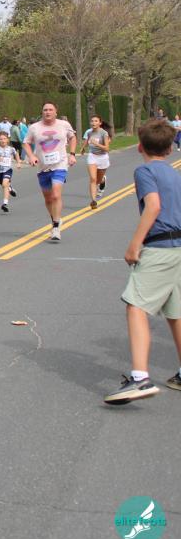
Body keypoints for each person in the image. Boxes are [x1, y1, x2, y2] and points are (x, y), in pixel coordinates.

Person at [103, 119, 181, 404]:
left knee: (136, 306)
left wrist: (135, 244)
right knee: (175, 312)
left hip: (160, 246)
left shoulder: (144, 171)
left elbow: (153, 205)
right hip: (179, 247)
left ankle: (140, 378)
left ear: (139, 147)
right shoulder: (175, 173)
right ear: (170, 149)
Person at [23, 101, 77, 241]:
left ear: (56, 112)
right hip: (43, 166)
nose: (47, 112)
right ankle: (55, 218)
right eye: (45, 110)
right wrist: (31, 156)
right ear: (42, 112)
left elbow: (72, 138)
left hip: (60, 164)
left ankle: (56, 227)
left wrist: (72, 154)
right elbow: (26, 143)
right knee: (48, 198)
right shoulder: (34, 127)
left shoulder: (64, 125)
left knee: (56, 195)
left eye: (50, 109)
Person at [79, 116, 111, 210]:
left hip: (103, 157)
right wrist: (83, 148)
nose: (93, 123)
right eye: (92, 121)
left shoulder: (104, 133)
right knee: (93, 179)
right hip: (92, 156)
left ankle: (102, 180)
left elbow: (107, 148)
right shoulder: (89, 132)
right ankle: (93, 201)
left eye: (96, 121)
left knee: (98, 180)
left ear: (100, 123)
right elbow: (87, 141)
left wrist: (96, 144)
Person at [0, 132, 21, 213]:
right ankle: (10, 188)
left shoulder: (11, 149)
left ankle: (5, 204)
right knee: (2, 183)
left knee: (4, 184)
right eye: (1, 139)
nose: (3, 140)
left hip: (8, 170)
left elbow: (16, 154)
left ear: (8, 140)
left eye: (4, 139)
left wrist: (18, 162)